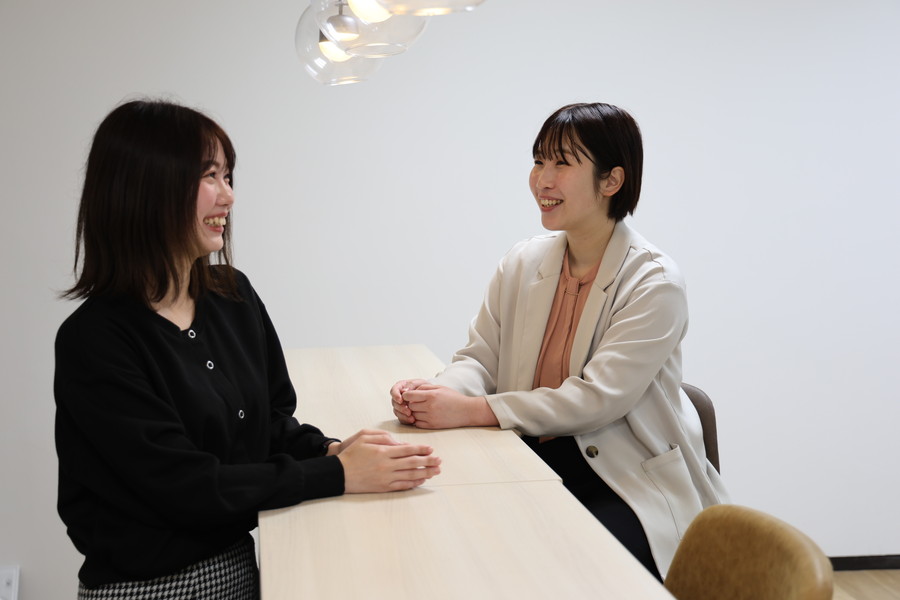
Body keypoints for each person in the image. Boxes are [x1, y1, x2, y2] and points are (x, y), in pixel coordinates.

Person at [55, 99, 441, 599]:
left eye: (228, 176)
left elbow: (269, 425)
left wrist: (330, 449)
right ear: (147, 186)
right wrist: (337, 473)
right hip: (148, 587)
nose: (229, 196)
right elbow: (185, 487)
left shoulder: (232, 294)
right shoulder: (95, 340)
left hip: (241, 562)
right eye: (209, 176)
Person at [390, 102, 727, 580]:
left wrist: (469, 411)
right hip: (531, 457)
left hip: (623, 480)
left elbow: (595, 399)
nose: (542, 180)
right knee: (449, 539)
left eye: (562, 164)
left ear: (611, 181)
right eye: (538, 161)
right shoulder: (522, 263)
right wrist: (434, 394)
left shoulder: (655, 282)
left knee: (557, 567)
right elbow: (480, 359)